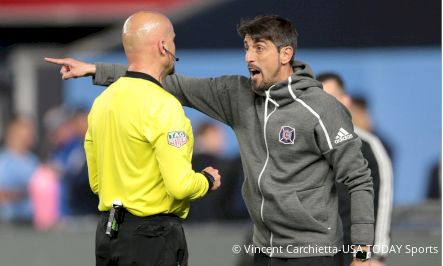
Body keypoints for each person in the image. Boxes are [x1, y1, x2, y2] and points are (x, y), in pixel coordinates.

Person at [46, 15, 374, 266]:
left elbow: (358, 179)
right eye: (246, 47)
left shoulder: (321, 109)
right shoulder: (237, 95)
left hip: (312, 251)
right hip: (261, 248)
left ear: (286, 53)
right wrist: (94, 69)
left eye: (259, 48)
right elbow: (162, 81)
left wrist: (362, 253)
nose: (249, 57)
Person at [54, 12, 222, 266]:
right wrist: (207, 180)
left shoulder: (102, 103)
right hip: (153, 237)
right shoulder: (164, 105)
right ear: (163, 46)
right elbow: (180, 185)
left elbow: (97, 182)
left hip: (109, 233)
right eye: (173, 40)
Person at [317, 73, 393, 266]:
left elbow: (381, 203)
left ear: (345, 100)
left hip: (355, 255)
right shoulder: (304, 145)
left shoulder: (368, 146)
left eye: (331, 98)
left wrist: (374, 256)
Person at [0, 116, 39, 223]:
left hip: (34, 221)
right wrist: (28, 192)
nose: (30, 136)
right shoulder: (0, 160)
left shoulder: (33, 160)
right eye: (26, 131)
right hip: (12, 222)